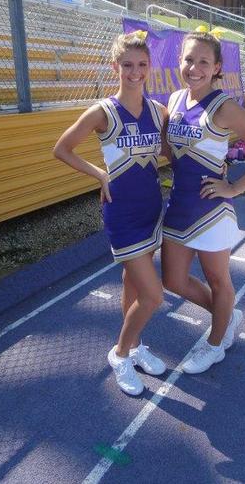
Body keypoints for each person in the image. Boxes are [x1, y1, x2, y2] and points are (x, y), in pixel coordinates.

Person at [54, 31, 168, 396]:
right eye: (127, 65)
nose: (135, 72)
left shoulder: (157, 111)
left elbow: (169, 151)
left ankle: (134, 346)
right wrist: (99, 173)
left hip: (152, 208)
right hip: (121, 213)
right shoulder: (102, 112)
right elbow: (62, 149)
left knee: (132, 284)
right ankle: (120, 354)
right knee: (153, 296)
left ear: (149, 67)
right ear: (114, 66)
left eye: (141, 65)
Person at [162, 32, 245, 374]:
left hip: (211, 211)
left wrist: (233, 187)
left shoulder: (225, 106)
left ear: (216, 67)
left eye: (203, 61)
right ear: (179, 62)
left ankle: (215, 344)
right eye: (188, 59)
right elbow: (171, 150)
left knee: (218, 280)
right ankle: (226, 315)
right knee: (173, 280)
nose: (194, 67)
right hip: (178, 206)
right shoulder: (173, 100)